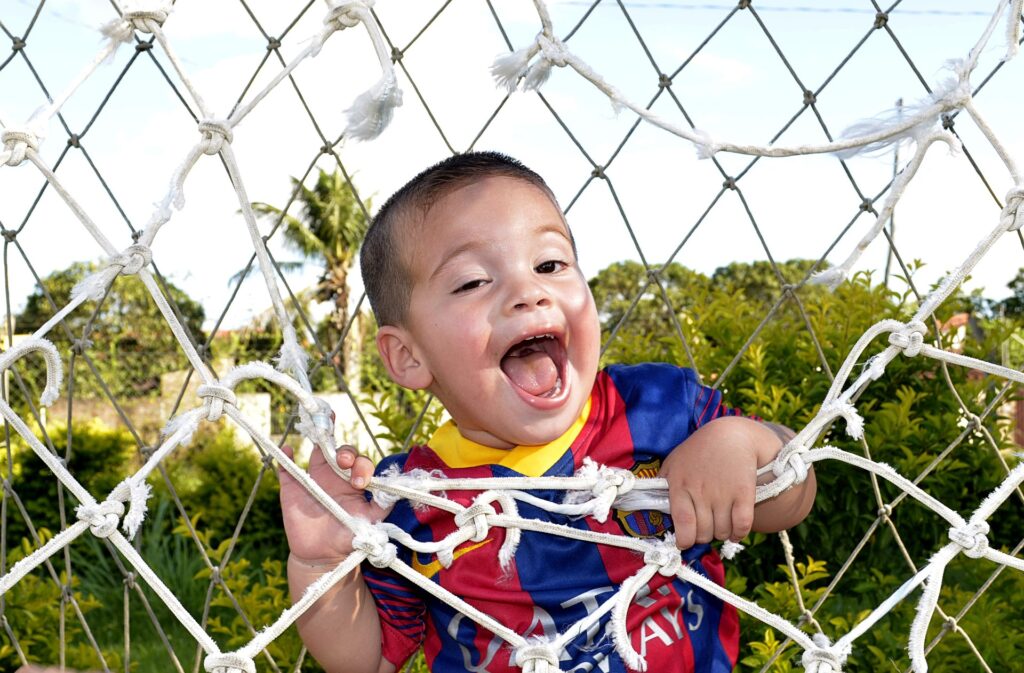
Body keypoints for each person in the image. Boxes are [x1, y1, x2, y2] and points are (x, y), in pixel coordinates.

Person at [278, 151, 817, 673]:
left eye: (550, 264)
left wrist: (741, 441)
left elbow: (790, 499)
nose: (527, 291)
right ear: (409, 356)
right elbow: (368, 659)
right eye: (472, 282)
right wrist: (321, 565)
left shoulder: (658, 409)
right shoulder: (414, 502)